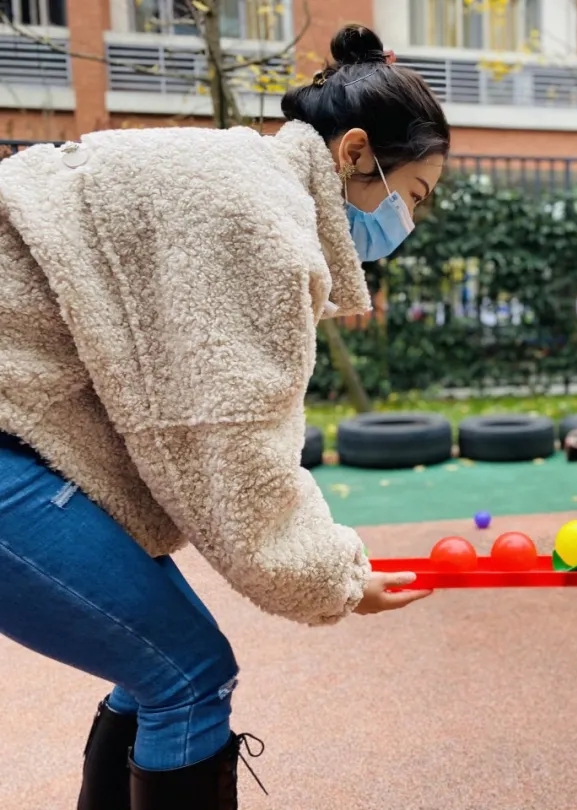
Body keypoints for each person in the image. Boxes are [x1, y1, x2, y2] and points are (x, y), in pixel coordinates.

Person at [0, 24, 446, 810]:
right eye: (412, 196)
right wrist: (335, 577)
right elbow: (223, 440)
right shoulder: (255, 218)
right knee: (188, 676)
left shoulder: (234, 173)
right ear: (353, 154)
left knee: (152, 674)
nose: (410, 223)